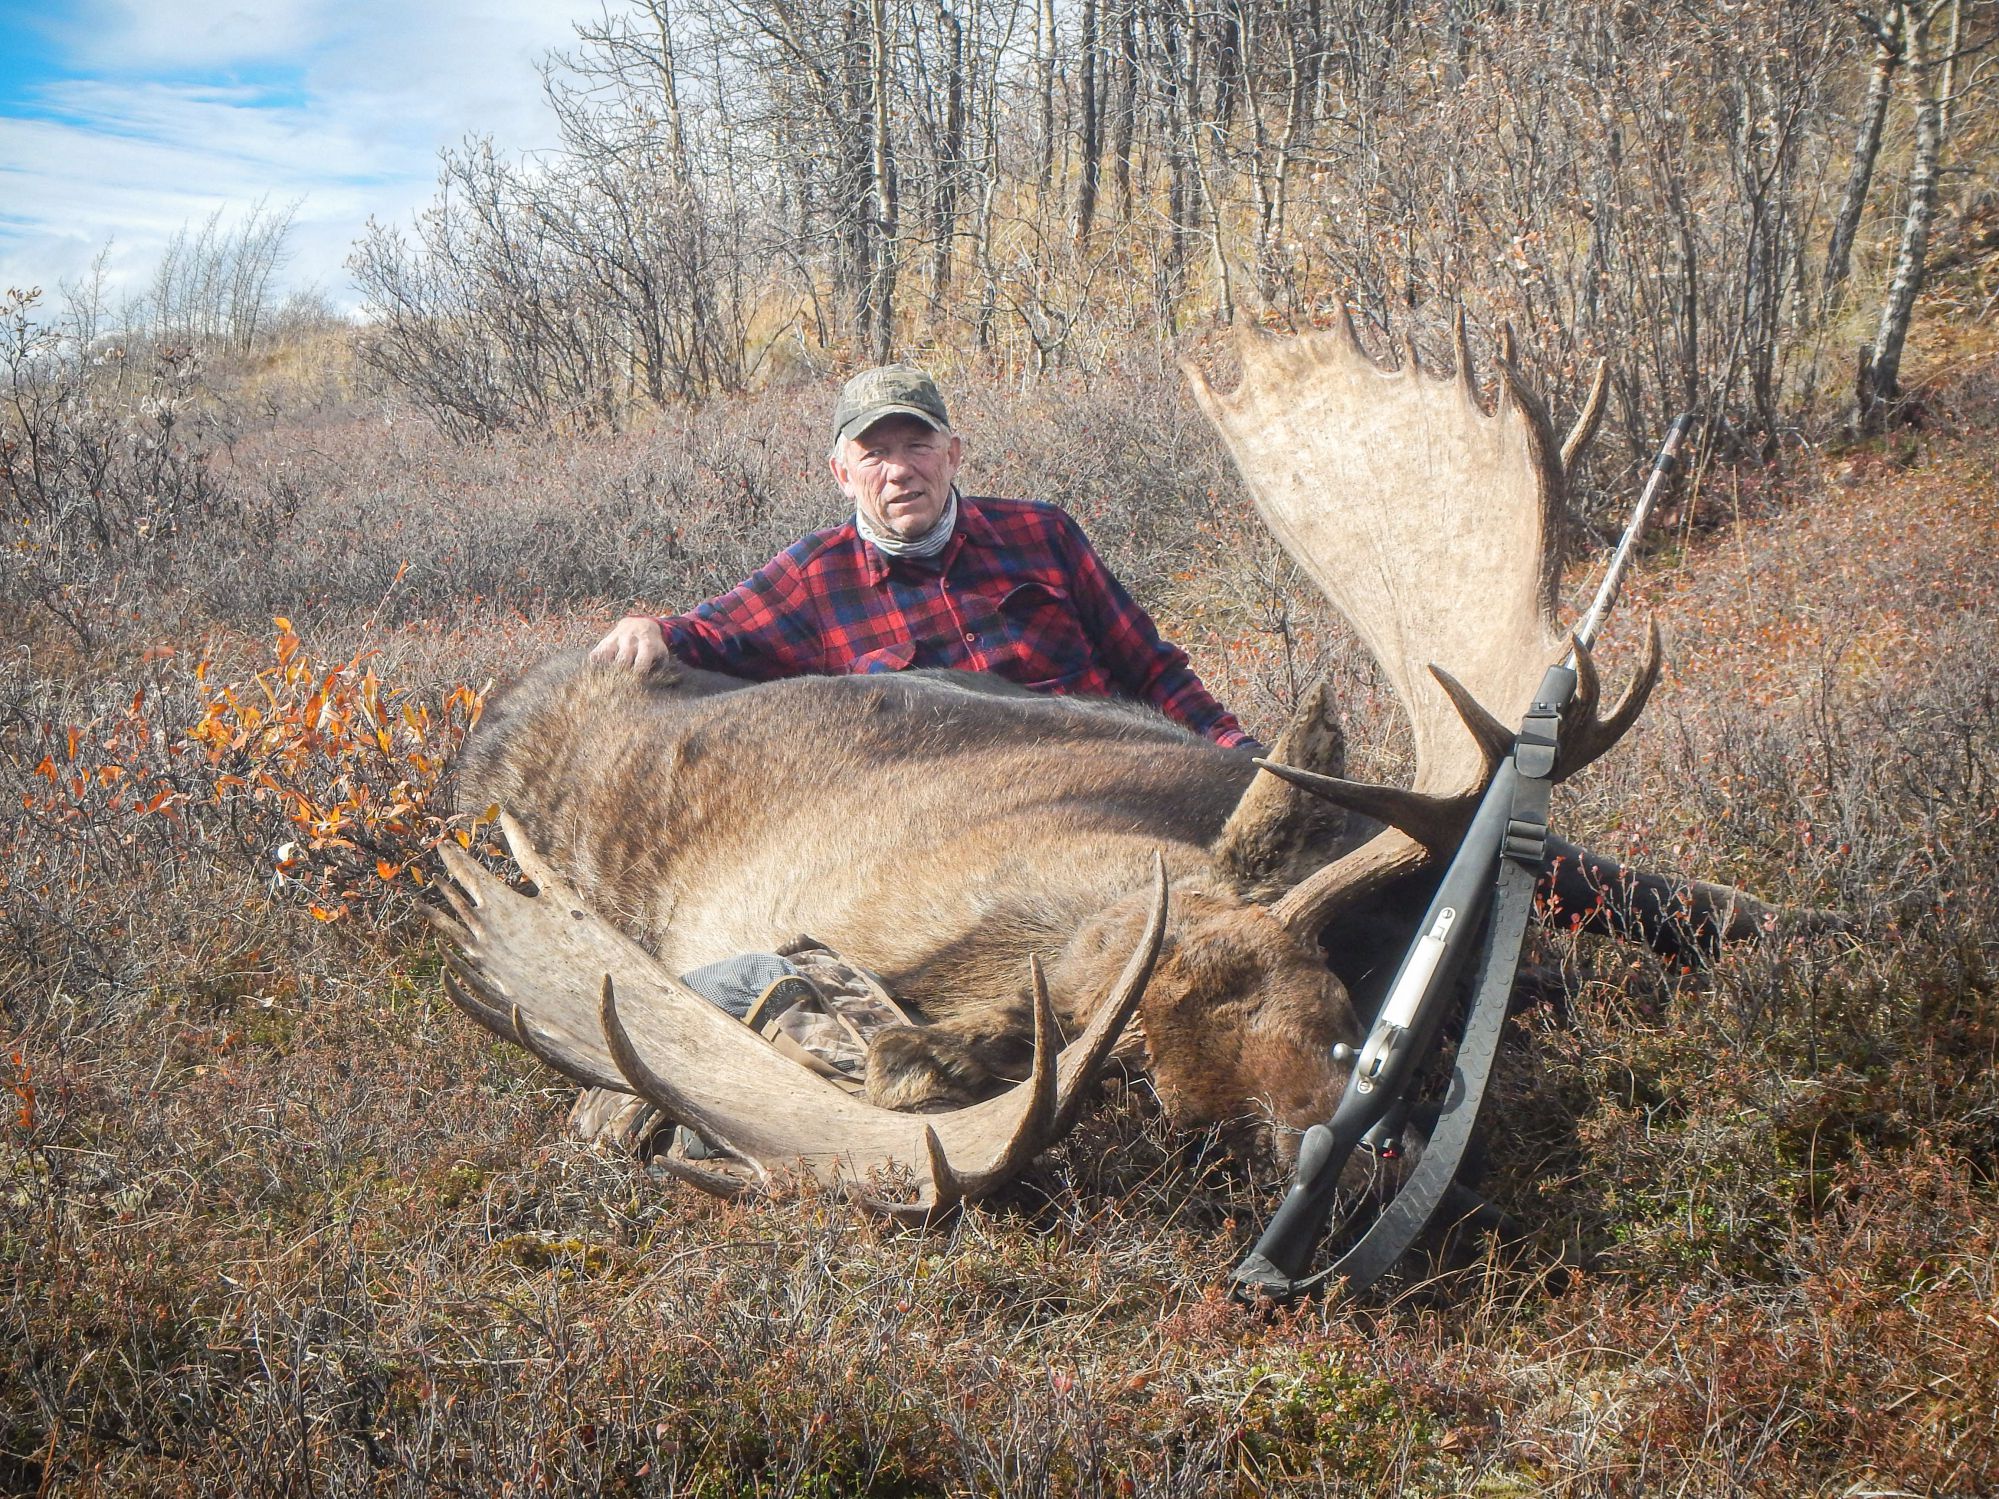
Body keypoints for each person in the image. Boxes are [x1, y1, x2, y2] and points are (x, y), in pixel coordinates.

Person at [589, 364, 1259, 751]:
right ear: (841, 474)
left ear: (952, 453)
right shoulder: (815, 579)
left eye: (916, 445)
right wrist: (649, 628)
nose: (899, 470)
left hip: (1124, 781)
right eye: (874, 454)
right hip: (965, 833)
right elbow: (708, 634)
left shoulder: (1042, 534)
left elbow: (1151, 669)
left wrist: (1236, 754)